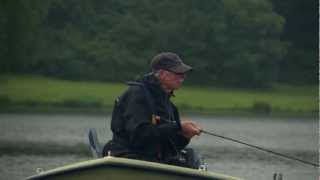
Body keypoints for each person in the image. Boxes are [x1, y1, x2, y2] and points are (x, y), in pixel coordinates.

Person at [103, 52, 202, 168]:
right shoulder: (136, 95)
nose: (183, 77)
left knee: (189, 157)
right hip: (128, 157)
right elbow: (140, 136)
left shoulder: (170, 106)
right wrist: (178, 126)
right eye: (178, 73)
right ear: (161, 74)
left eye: (184, 74)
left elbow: (169, 148)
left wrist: (185, 136)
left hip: (153, 162)